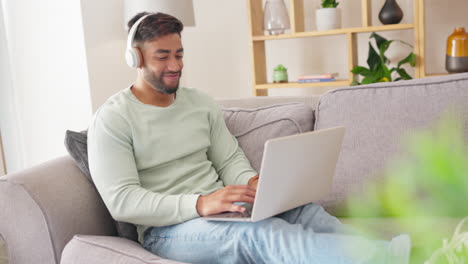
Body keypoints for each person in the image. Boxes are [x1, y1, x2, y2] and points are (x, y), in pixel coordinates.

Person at [87, 12, 411, 264]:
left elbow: (229, 159)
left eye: (179, 54)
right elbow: (123, 201)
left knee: (304, 213)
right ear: (136, 57)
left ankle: (400, 252)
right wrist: (199, 204)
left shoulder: (199, 102)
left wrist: (254, 183)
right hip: (169, 231)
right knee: (262, 233)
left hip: (226, 210)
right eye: (162, 56)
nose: (175, 65)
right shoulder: (113, 119)